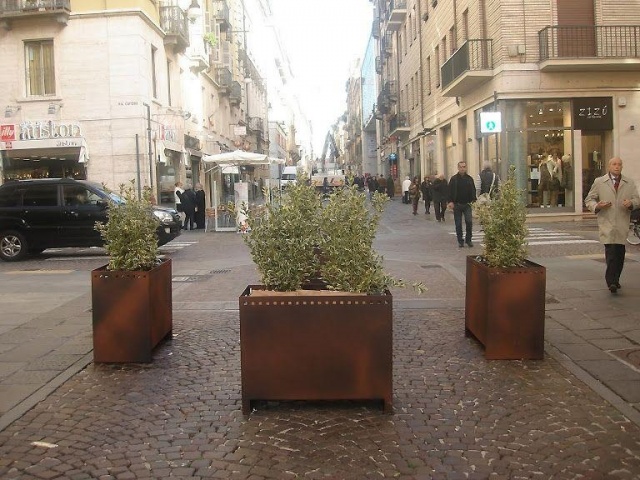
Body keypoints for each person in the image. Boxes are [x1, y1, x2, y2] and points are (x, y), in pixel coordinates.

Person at [584, 157, 639, 294]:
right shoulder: (600, 182)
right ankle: (612, 281)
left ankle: (616, 279)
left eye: (619, 164)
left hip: (622, 222)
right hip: (606, 222)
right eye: (614, 164)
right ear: (609, 166)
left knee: (620, 253)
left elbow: (637, 199)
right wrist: (597, 206)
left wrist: (631, 203)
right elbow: (589, 199)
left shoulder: (629, 182)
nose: (617, 166)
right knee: (611, 251)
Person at [448, 161, 477, 247]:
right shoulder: (454, 179)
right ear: (458, 168)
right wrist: (450, 201)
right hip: (457, 204)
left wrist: (473, 201)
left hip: (467, 204)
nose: (462, 168)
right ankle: (460, 240)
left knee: (469, 222)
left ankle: (468, 240)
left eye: (464, 167)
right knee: (458, 224)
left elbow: (473, 190)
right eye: (460, 167)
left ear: (466, 168)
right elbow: (449, 191)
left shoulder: (469, 179)